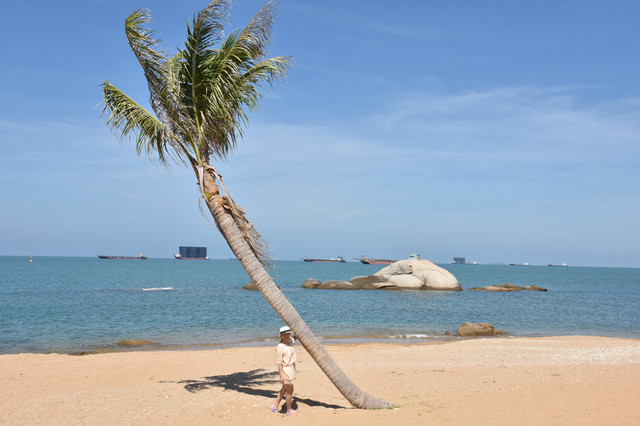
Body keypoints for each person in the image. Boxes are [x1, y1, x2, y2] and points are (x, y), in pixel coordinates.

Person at [270, 325, 298, 416]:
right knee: (290, 391)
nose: (286, 336)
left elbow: (297, 336)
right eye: (284, 334)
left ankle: (274, 406)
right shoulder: (280, 347)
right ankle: (289, 410)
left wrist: (294, 330)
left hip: (292, 368)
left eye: (288, 334)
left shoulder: (290, 340)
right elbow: (279, 363)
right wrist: (281, 376)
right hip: (286, 370)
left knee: (284, 390)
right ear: (281, 335)